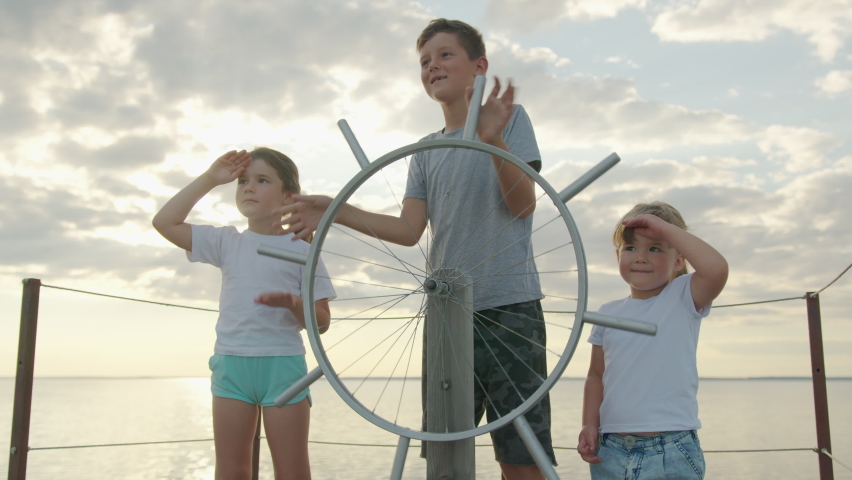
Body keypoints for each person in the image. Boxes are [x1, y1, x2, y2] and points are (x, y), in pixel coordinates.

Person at [276, 18, 554, 480]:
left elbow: (523, 205)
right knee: (445, 454)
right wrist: (336, 209)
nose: (432, 66)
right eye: (424, 61)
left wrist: (492, 139)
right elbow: (409, 230)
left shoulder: (509, 122)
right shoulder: (424, 150)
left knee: (522, 457)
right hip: (445, 313)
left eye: (445, 55)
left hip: (510, 307)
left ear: (478, 66)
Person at [152, 147, 336, 480]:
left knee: (292, 472)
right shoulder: (226, 242)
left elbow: (321, 321)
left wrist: (295, 305)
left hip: (283, 369)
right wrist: (210, 178)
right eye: (242, 181)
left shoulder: (305, 251)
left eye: (262, 180)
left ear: (288, 197)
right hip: (231, 368)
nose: (248, 187)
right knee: (231, 471)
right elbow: (164, 222)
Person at [577, 201, 729, 479]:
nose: (641, 257)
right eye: (631, 248)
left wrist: (665, 228)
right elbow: (596, 375)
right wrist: (589, 423)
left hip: (670, 449)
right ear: (618, 255)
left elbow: (717, 268)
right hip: (610, 448)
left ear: (680, 260)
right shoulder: (608, 313)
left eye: (655, 248)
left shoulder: (683, 297)